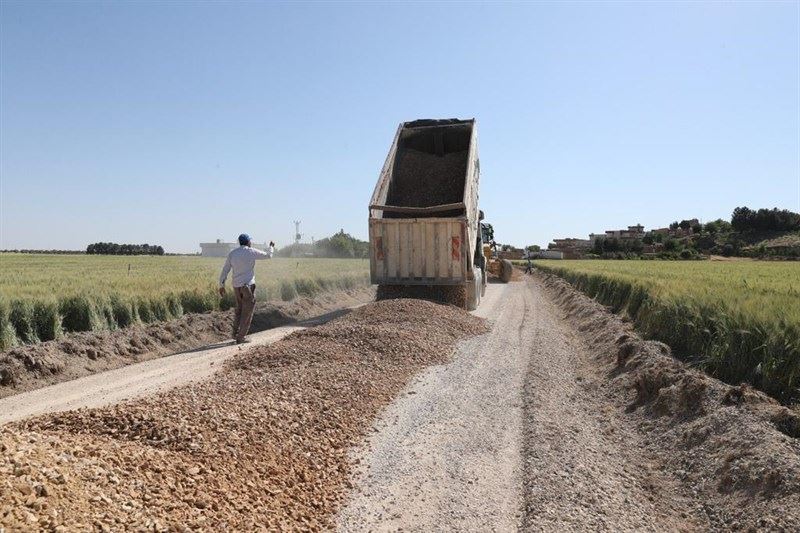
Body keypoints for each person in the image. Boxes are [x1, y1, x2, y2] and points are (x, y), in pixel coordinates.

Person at [219, 233, 272, 344]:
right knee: (247, 312)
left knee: (239, 310)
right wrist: (271, 247)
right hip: (248, 287)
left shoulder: (232, 254)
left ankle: (235, 334)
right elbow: (268, 255)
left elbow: (225, 270)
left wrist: (221, 285)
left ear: (239, 242)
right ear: (248, 242)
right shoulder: (251, 251)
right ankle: (241, 337)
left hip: (236, 287)